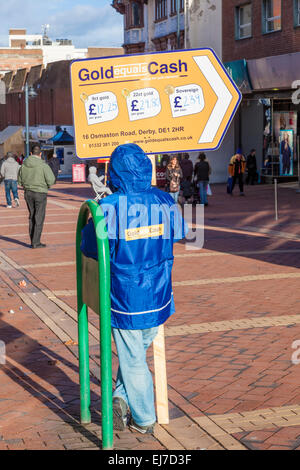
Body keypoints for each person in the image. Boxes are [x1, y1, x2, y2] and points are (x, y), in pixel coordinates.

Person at [80, 144, 187, 434]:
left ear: (114, 172)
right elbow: (179, 232)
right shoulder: (164, 200)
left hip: (126, 296)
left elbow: (88, 246)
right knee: (134, 354)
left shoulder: (108, 208)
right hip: (160, 291)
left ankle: (143, 419)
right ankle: (119, 398)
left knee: (133, 359)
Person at [18, 144, 55, 248]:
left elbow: (20, 181)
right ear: (40, 154)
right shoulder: (43, 165)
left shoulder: (24, 164)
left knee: (32, 216)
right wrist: (46, 185)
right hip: (40, 192)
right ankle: (36, 242)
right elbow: (51, 180)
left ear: (30, 153)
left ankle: (33, 240)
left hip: (28, 193)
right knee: (39, 217)